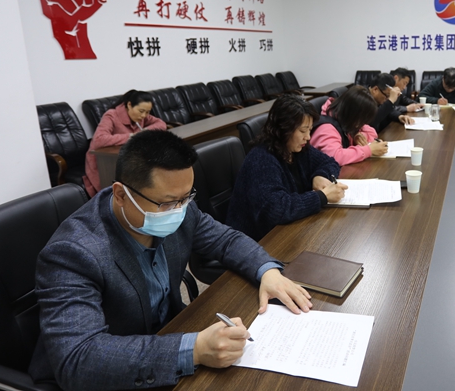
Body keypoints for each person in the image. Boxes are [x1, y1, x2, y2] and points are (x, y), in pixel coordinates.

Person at [29, 130, 312, 391]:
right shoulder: (72, 252)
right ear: (121, 195)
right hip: (110, 374)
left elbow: (226, 240)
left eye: (186, 197)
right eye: (167, 203)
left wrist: (267, 272)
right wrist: (194, 349)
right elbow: (79, 359)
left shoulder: (178, 207)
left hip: (167, 335)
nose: (178, 210)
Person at [225, 94, 347, 241]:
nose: (308, 137)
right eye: (303, 131)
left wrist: (320, 175)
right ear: (284, 129)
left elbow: (330, 163)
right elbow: (277, 209)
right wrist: (322, 196)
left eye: (309, 130)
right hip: (255, 241)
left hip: (289, 230)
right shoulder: (261, 159)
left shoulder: (298, 148)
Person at [83, 90, 167, 197]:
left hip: (127, 157)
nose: (144, 115)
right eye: (141, 111)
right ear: (129, 105)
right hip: (104, 162)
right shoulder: (111, 115)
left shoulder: (141, 116)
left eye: (147, 112)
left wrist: (145, 131)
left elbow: (161, 124)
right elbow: (99, 139)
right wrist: (131, 136)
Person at [311, 85, 388, 165]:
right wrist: (368, 150)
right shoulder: (326, 128)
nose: (359, 125)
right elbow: (335, 157)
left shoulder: (345, 118)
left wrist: (358, 135)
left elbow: (372, 132)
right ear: (351, 113)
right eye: (361, 121)